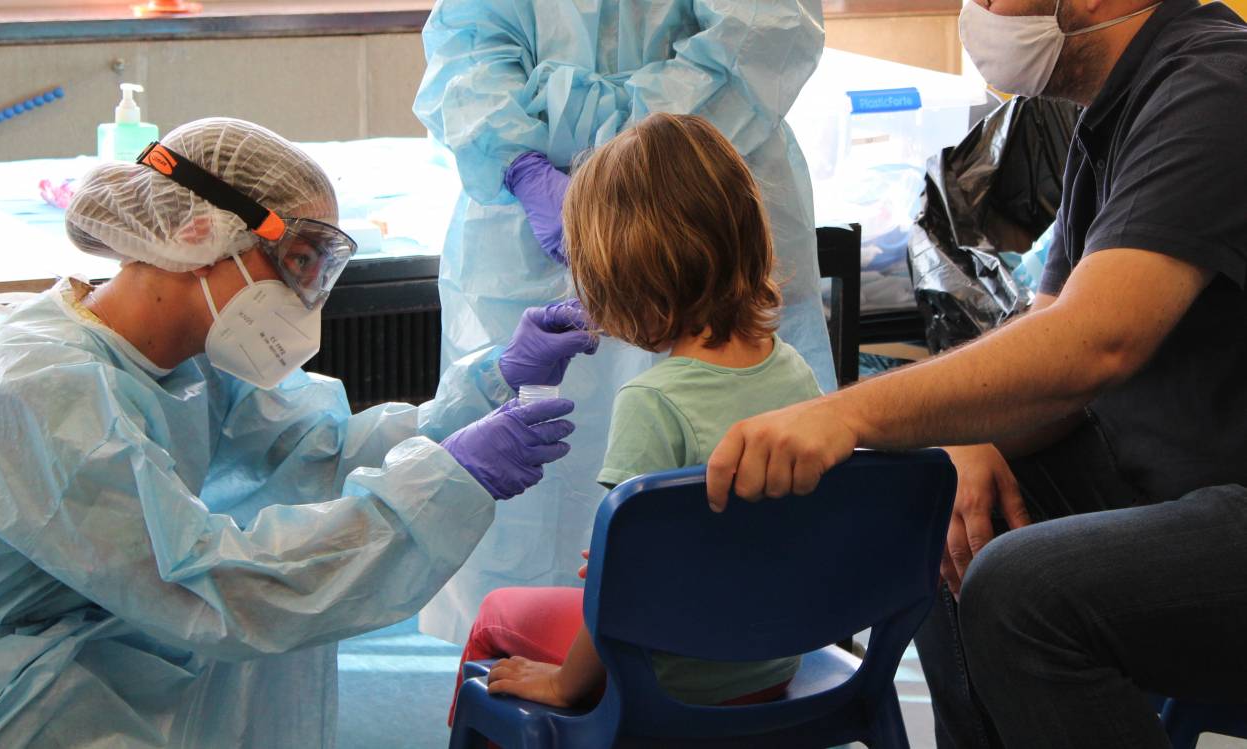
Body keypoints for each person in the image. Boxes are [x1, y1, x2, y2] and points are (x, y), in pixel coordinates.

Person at [0, 118, 597, 748]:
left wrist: (488, 382)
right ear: (199, 232)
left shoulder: (191, 353)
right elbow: (212, 585)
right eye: (293, 262)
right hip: (6, 683)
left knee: (296, 607)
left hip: (102, 633)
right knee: (278, 603)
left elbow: (322, 451)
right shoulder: (41, 389)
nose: (304, 296)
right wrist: (449, 482)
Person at [704, 1, 1247, 747]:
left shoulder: (1216, 83)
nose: (978, 12)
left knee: (1020, 591)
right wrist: (966, 441)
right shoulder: (1114, 115)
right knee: (934, 510)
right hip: (1177, 482)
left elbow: (1096, 341)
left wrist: (846, 414)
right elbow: (1051, 351)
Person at [411, 0, 836, 644]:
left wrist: (621, 166)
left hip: (705, 167)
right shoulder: (794, 377)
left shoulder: (648, 404)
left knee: (603, 534)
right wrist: (520, 163)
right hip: (664, 193)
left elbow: (765, 31)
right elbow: (467, 47)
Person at [450, 114, 824, 717]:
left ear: (620, 279)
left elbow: (618, 591)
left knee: (496, 616)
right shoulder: (794, 372)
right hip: (773, 662)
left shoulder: (653, 402)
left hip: (674, 678)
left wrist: (564, 685)